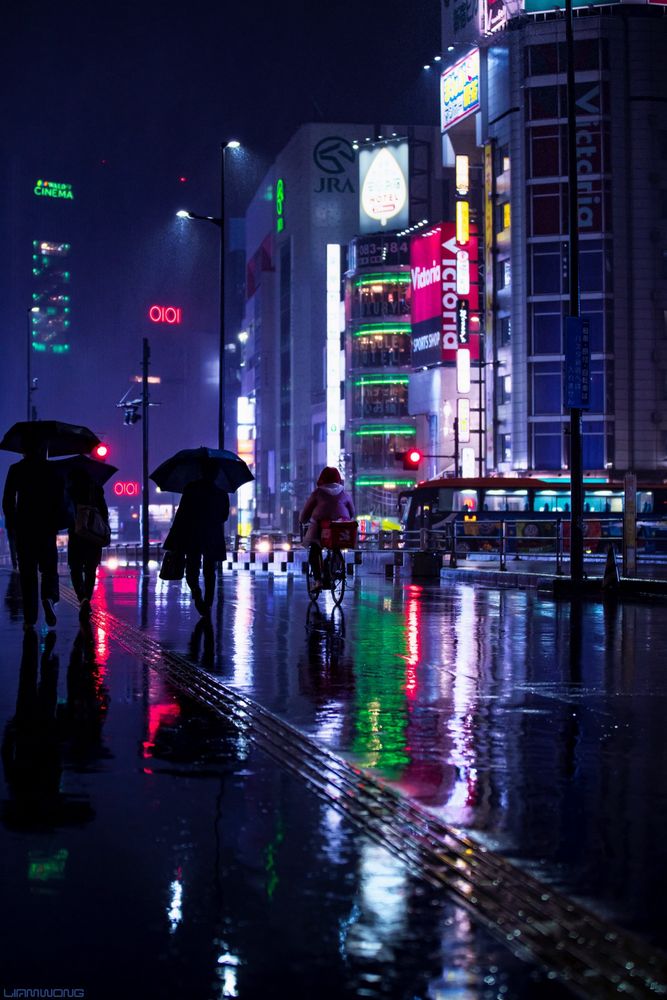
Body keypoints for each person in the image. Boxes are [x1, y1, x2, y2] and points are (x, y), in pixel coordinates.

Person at [2, 444, 64, 629]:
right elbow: (60, 498)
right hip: (46, 527)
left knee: (28, 573)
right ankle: (48, 597)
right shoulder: (51, 469)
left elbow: (7, 500)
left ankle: (30, 618)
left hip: (24, 528)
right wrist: (55, 522)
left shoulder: (16, 469)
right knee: (49, 570)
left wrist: (12, 524)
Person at [163, 459, 229, 616]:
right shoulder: (221, 493)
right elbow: (224, 516)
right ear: (216, 474)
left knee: (192, 570)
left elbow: (181, 515)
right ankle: (207, 604)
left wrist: (174, 538)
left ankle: (197, 595)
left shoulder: (191, 489)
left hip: (192, 536)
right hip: (212, 537)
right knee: (209, 571)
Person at [300, 467, 355, 595]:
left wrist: (303, 520)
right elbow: (352, 513)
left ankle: (318, 580)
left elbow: (304, 516)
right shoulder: (345, 494)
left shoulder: (317, 493)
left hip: (320, 529)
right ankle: (332, 573)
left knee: (315, 549)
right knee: (336, 547)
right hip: (339, 529)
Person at [66, 467, 109, 618]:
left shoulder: (70, 490)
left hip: (77, 535)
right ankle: (87, 599)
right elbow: (104, 512)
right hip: (93, 536)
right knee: (90, 570)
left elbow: (67, 513)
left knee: (75, 568)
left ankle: (82, 598)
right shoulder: (97, 489)